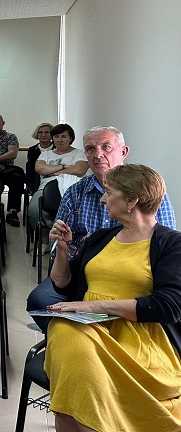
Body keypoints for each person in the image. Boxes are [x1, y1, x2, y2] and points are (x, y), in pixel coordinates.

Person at [44, 164, 181, 432]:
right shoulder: (101, 238)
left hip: (140, 341)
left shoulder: (172, 244)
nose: (103, 199)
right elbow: (63, 284)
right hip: (90, 331)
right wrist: (62, 250)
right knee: (63, 331)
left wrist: (93, 305)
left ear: (131, 201)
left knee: (66, 345)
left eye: (108, 192)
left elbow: (169, 306)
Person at [26, 126, 175, 332]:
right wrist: (68, 254)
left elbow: (164, 248)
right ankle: (69, 337)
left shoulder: (150, 191)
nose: (98, 155)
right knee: (41, 301)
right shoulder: (76, 192)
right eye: (90, 149)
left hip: (136, 277)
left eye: (106, 147)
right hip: (84, 272)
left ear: (123, 152)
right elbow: (59, 243)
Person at [26, 123, 89, 234]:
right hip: (45, 188)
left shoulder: (79, 153)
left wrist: (51, 170)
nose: (59, 139)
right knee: (34, 209)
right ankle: (44, 239)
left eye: (63, 136)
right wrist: (64, 166)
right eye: (56, 136)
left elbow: (79, 170)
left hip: (73, 188)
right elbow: (39, 168)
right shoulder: (46, 154)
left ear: (70, 138)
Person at [0, 113, 26, 227]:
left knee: (17, 178)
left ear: (3, 123)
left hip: (7, 167)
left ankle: (12, 212)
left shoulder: (10, 136)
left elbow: (12, 153)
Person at [26, 122, 54, 193]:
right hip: (36, 179)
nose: (43, 135)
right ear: (37, 134)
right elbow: (32, 168)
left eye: (47, 132)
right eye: (40, 132)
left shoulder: (57, 148)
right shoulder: (32, 150)